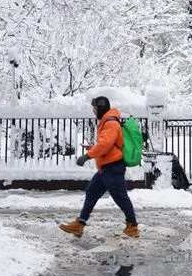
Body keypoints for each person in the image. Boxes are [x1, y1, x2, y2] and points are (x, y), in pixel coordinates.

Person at [59, 96, 139, 238]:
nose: (93, 111)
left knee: (120, 197)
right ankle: (80, 224)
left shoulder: (110, 123)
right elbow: (106, 144)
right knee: (91, 192)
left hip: (113, 168)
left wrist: (87, 156)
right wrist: (93, 148)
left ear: (100, 107)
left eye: (95, 108)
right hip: (106, 168)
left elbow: (105, 145)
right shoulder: (107, 122)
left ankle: (132, 227)